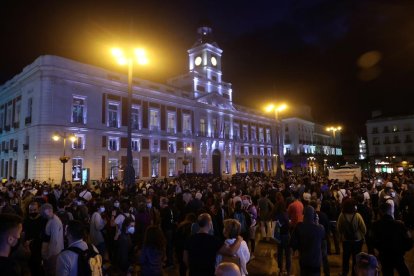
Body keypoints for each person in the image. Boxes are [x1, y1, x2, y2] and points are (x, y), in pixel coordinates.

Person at [370, 202, 412, 276]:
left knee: (387, 273)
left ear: (380, 212)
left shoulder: (375, 225)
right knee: (404, 272)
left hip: (384, 255)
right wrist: (403, 249)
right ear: (390, 211)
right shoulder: (400, 225)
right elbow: (409, 240)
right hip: (398, 255)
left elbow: (371, 240)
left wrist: (379, 248)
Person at [290, 206, 325, 276]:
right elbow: (323, 242)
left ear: (304, 215)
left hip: (304, 260)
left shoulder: (299, 227)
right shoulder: (320, 228)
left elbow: (293, 243)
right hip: (316, 261)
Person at [337, 199, 367, 276]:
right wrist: (362, 235)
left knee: (346, 257)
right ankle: (354, 273)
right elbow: (364, 228)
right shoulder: (357, 215)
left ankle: (345, 272)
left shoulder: (342, 215)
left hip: (346, 240)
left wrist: (341, 235)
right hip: (357, 240)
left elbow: (339, 228)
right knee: (356, 258)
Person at [23, 201, 46, 276]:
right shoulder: (26, 220)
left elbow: (44, 236)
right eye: (31, 210)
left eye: (34, 210)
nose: (32, 212)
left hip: (39, 248)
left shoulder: (43, 220)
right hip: (27, 248)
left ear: (38, 209)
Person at [41, 203, 64, 276]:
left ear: (48, 211)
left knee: (52, 272)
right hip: (53, 252)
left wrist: (49, 255)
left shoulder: (54, 221)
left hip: (53, 253)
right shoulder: (52, 219)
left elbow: (54, 240)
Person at [273, 192, 291, 276]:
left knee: (280, 253)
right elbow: (288, 225)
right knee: (287, 254)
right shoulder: (284, 214)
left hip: (278, 236)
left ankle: (280, 269)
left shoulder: (276, 214)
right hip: (285, 235)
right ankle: (288, 270)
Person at [159, 196, 175, 269]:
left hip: (167, 230)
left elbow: (162, 221)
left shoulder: (164, 210)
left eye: (160, 202)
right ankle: (169, 261)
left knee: (168, 247)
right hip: (170, 229)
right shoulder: (169, 209)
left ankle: (170, 263)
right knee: (169, 246)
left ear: (163, 203)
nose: (159, 204)